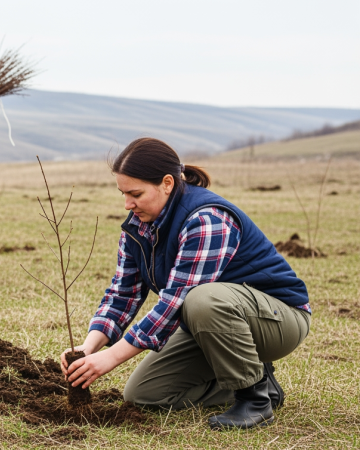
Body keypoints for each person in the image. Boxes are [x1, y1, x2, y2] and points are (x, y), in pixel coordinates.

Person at [60, 137, 311, 430]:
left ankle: (254, 398)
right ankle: (260, 381)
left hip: (278, 321)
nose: (128, 204)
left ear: (167, 183)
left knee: (201, 299)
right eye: (123, 193)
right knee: (144, 394)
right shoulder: (137, 226)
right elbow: (122, 293)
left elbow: (176, 302)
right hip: (213, 324)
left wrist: (110, 358)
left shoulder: (207, 219)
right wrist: (89, 348)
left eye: (136, 194)